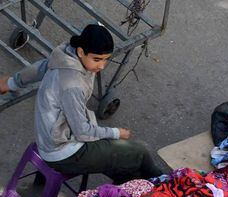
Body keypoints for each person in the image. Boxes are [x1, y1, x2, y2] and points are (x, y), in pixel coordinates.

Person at [0, 24, 163, 184]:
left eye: (106, 60)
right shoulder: (73, 86)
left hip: (52, 137)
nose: (101, 66)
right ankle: (166, 182)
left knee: (127, 167)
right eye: (97, 59)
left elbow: (40, 68)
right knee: (139, 153)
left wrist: (12, 82)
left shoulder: (64, 56)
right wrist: (116, 132)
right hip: (63, 151)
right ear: (80, 51)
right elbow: (82, 132)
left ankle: (132, 191)